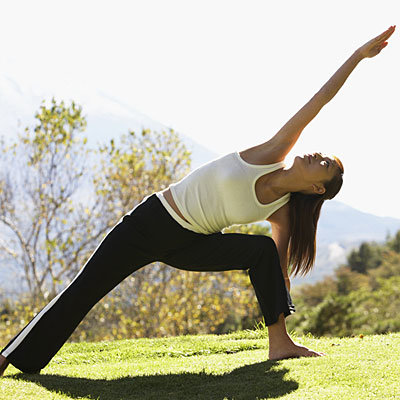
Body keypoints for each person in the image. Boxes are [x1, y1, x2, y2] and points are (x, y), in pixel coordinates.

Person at [0, 25, 395, 376]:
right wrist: (358, 56)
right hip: (150, 222)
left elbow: (275, 264)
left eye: (323, 164)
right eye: (321, 154)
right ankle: (11, 358)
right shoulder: (271, 151)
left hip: (190, 244)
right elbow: (320, 99)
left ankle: (279, 345)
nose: (315, 155)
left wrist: (281, 306)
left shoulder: (282, 211)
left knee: (260, 251)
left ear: (317, 189)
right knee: (83, 290)